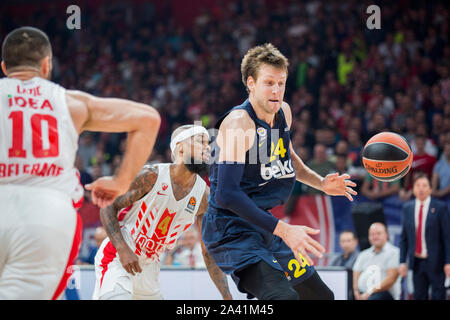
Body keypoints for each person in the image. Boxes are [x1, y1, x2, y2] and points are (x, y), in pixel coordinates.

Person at [0, 27, 161, 300]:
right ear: (46, 65)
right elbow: (148, 119)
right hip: (46, 214)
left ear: (4, 67)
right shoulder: (71, 101)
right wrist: (120, 182)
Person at [202, 43, 357, 300]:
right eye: (269, 82)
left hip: (261, 224)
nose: (276, 91)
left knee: (321, 297)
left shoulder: (283, 112)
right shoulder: (239, 123)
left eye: (281, 83)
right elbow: (226, 195)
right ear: (251, 83)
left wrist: (321, 183)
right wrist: (284, 230)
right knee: (283, 298)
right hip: (230, 230)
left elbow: (289, 158)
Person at [92, 125, 232, 300]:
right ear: (180, 148)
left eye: (208, 144)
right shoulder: (152, 176)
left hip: (150, 267)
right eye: (200, 142)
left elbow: (208, 251)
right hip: (118, 256)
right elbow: (108, 206)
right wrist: (123, 249)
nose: (207, 148)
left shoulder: (204, 196)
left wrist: (227, 296)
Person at [398, 173, 450, 300]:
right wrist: (402, 262)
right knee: (419, 295)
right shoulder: (407, 208)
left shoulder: (440, 207)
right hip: (417, 262)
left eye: (424, 185)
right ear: (413, 189)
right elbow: (404, 238)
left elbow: (447, 237)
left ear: (430, 189)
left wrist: (448, 262)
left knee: (439, 295)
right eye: (418, 185)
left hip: (437, 261)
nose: (421, 189)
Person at [353, 223, 401, 300]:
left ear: (386, 235)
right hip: (363, 294)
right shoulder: (363, 254)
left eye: (378, 233)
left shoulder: (394, 253)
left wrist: (370, 292)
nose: (375, 237)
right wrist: (355, 292)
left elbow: (391, 279)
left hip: (384, 293)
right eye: (372, 234)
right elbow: (356, 274)